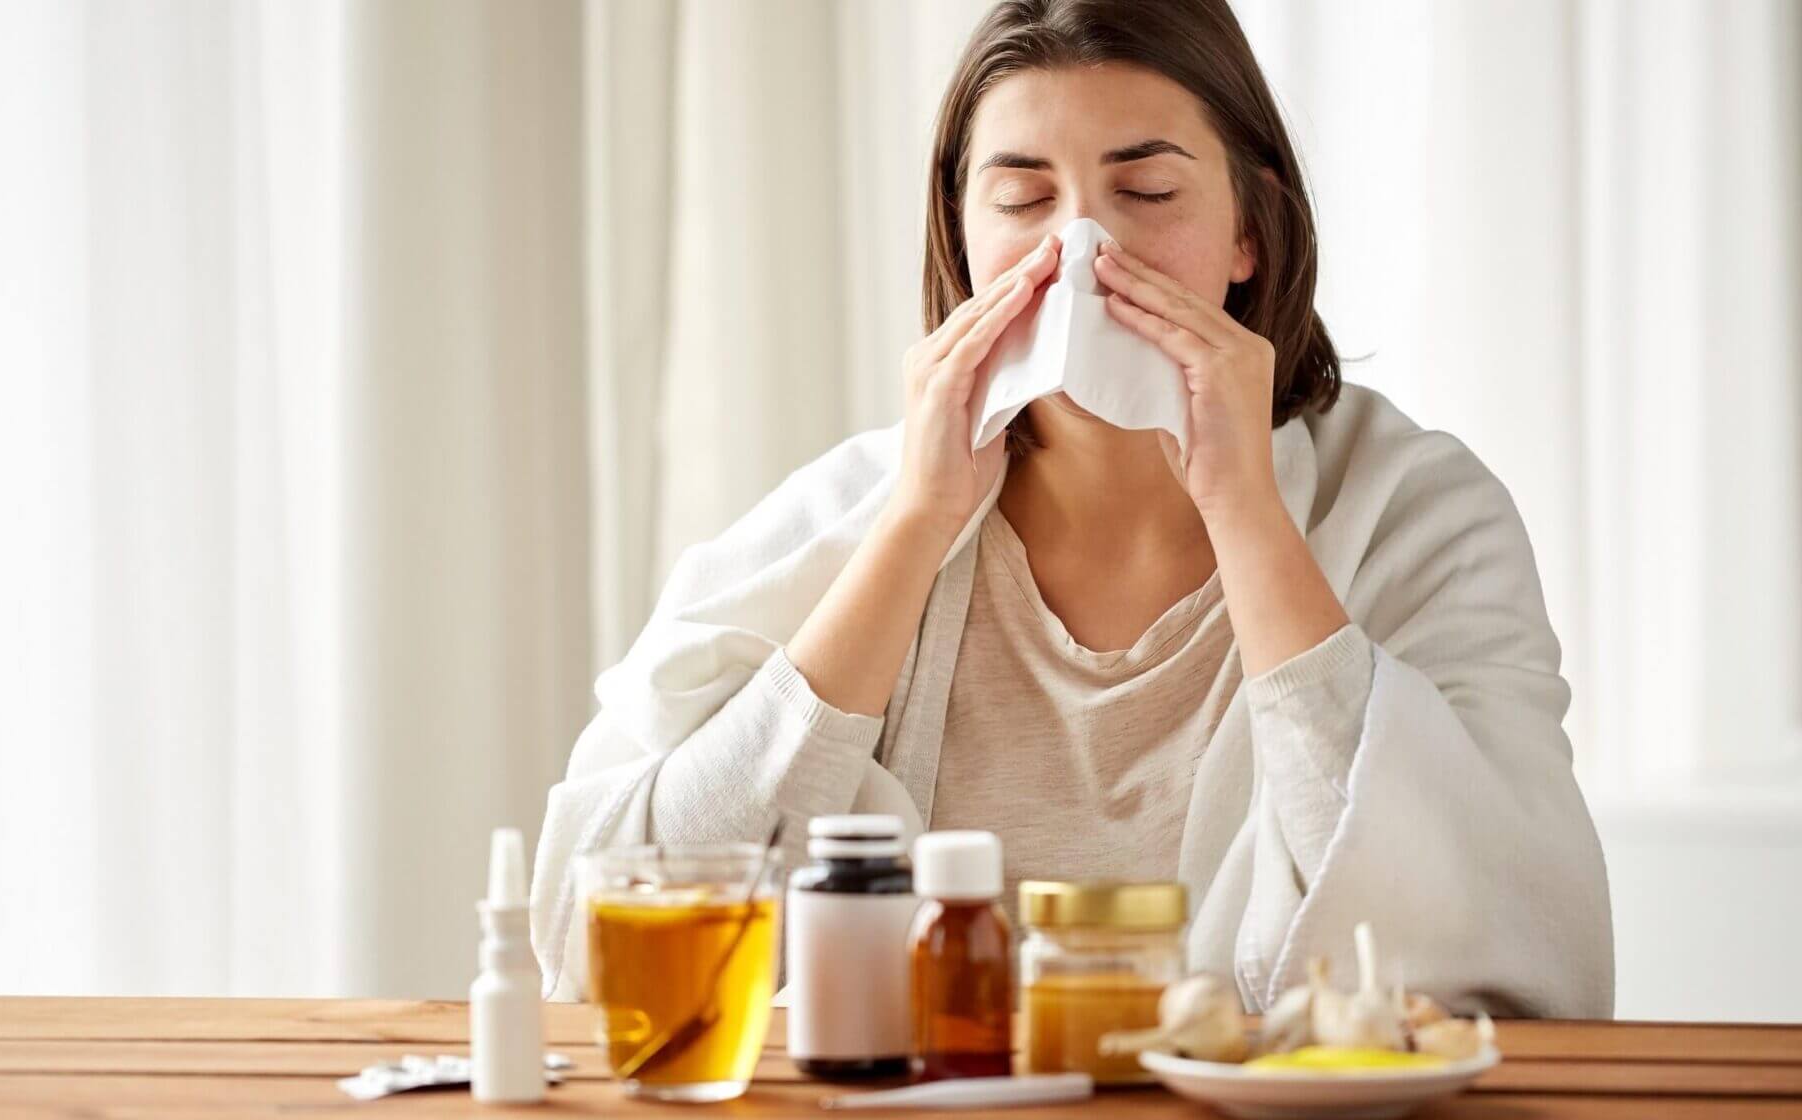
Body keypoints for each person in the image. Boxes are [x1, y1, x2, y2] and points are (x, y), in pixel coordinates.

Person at [532, 0, 1615, 1017]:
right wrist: (913, 528)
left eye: (1145, 194)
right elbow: (596, 936)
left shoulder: (1418, 511)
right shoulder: (845, 517)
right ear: (961, 244)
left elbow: (1508, 954)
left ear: (1249, 231)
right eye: (1020, 201)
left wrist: (1246, 515)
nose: (1082, 256)